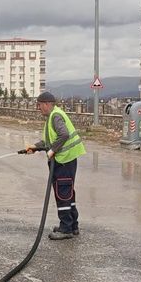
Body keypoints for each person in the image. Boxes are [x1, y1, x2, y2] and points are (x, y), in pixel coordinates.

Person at [24, 91, 86, 240]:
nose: (38, 108)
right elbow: (49, 141)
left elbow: (63, 135)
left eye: (39, 105)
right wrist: (35, 147)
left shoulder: (55, 116)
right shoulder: (53, 116)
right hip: (67, 160)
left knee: (62, 193)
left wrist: (52, 151)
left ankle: (66, 229)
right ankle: (72, 225)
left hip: (64, 161)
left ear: (46, 104)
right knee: (67, 193)